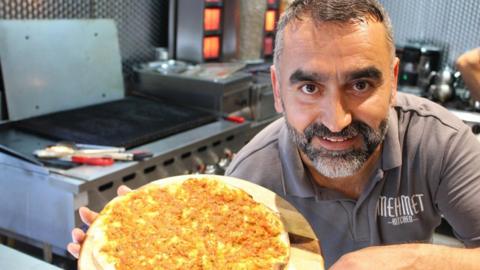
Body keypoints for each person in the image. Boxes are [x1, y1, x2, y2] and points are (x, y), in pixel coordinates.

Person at [69, 0, 480, 268]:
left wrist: (418, 261)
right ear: (277, 90)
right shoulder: (250, 180)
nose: (336, 121)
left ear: (392, 80)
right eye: (308, 87)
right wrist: (147, 242)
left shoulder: (441, 141)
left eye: (360, 85)